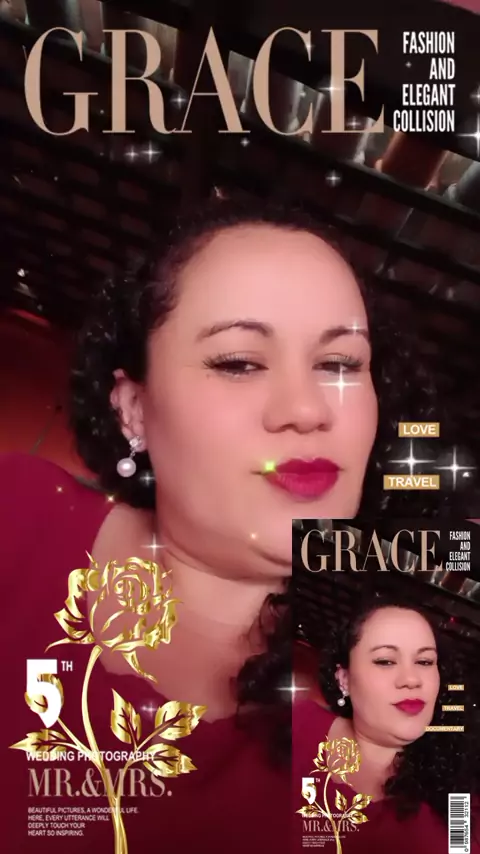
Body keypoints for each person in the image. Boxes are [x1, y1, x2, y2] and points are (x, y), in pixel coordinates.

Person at [0, 197, 472, 853]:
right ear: (134, 409)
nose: (308, 409)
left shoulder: (352, 793)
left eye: (340, 365)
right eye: (239, 362)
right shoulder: (14, 514)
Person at [293, 594, 480, 853]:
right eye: (385, 661)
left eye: (425, 662)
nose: (412, 679)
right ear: (344, 679)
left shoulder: (460, 794)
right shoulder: (289, 727)